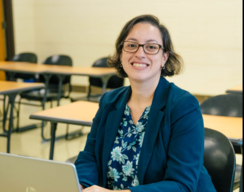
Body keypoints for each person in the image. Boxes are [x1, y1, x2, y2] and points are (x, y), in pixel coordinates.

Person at [75, 14, 216, 192]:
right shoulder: (109, 101)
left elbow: (182, 185)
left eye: (151, 47)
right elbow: (90, 157)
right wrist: (79, 184)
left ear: (164, 57)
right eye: (131, 45)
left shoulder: (183, 106)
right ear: (120, 54)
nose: (139, 53)